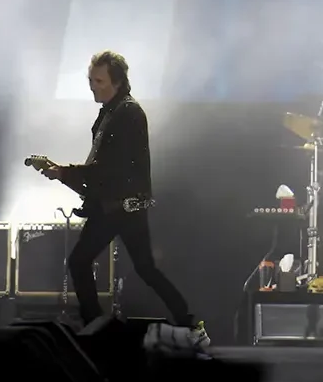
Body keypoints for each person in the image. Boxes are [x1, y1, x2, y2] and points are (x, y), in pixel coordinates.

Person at [41, 50, 209, 347]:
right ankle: (188, 323)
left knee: (82, 262)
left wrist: (64, 173)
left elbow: (109, 168)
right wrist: (65, 174)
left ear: (116, 82)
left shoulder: (128, 113)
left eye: (98, 80)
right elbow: (102, 167)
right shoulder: (111, 110)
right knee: (142, 268)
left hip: (120, 207)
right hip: (115, 205)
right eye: (90, 80)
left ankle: (96, 328)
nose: (92, 85)